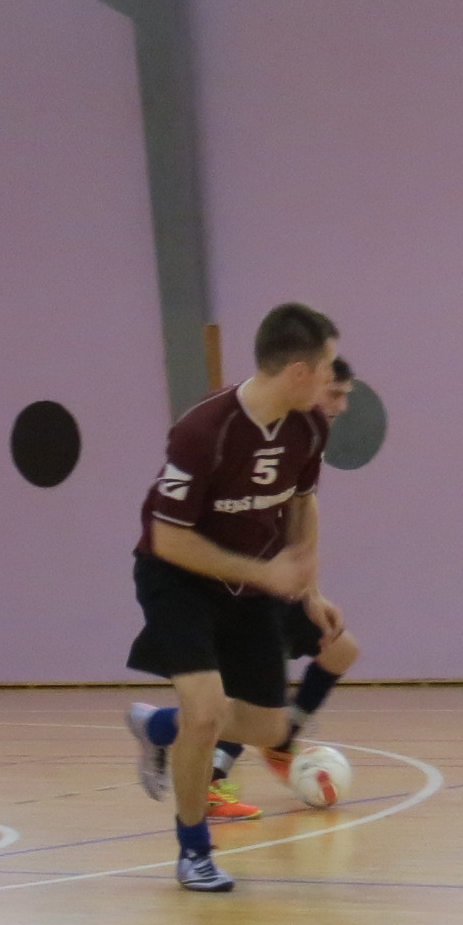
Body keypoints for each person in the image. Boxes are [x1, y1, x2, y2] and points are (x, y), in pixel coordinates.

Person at [124, 303, 341, 893]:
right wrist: (263, 571)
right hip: (178, 579)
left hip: (251, 587)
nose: (332, 378)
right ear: (298, 371)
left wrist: (309, 589)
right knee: (206, 712)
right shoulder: (203, 432)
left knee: (271, 728)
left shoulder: (309, 427)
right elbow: (169, 539)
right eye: (326, 367)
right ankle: (194, 851)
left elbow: (301, 501)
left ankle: (159, 727)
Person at [212, 355, 363, 800]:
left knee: (340, 648)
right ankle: (210, 776)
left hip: (278, 581)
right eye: (335, 393)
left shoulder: (306, 438)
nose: (342, 406)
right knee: (258, 698)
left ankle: (281, 744)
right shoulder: (256, 433)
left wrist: (310, 592)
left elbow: (302, 512)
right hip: (244, 586)